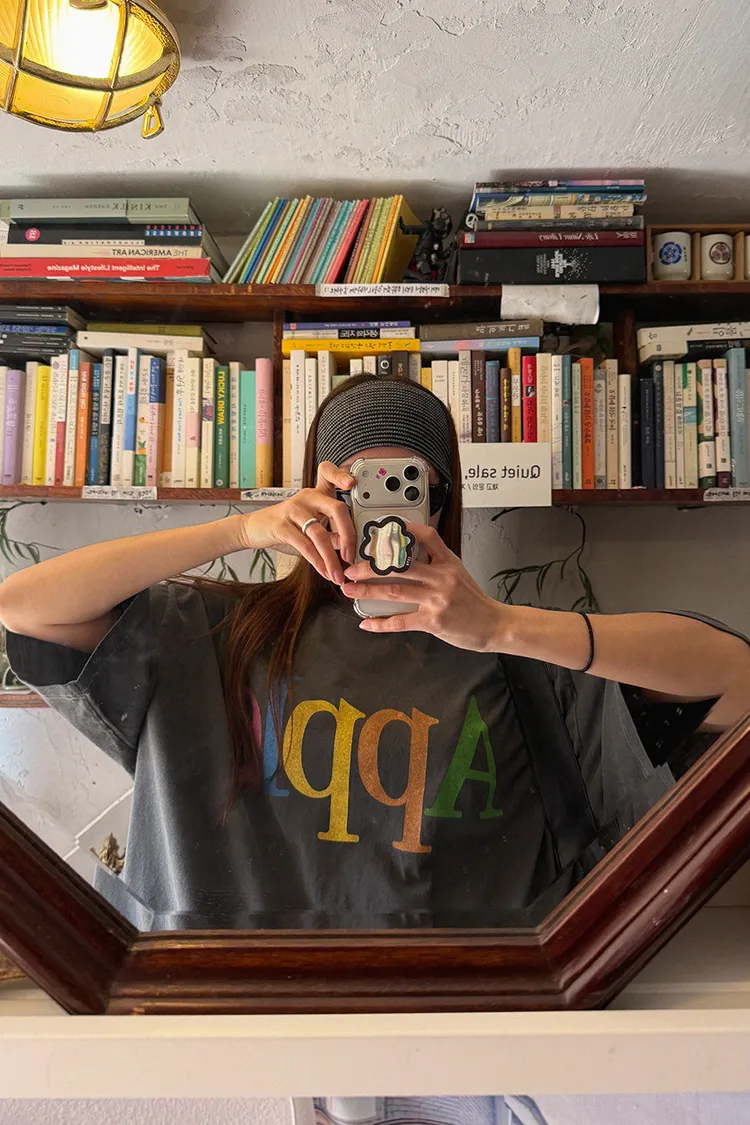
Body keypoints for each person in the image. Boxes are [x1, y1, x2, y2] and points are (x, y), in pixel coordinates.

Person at [0, 374, 748, 931]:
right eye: (360, 492)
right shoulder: (208, 633)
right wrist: (241, 530)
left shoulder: (523, 663)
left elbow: (735, 679)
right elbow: (24, 608)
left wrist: (501, 627)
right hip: (224, 1024)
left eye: (410, 488)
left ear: (442, 505)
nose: (385, 518)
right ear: (318, 499)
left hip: (467, 1025)